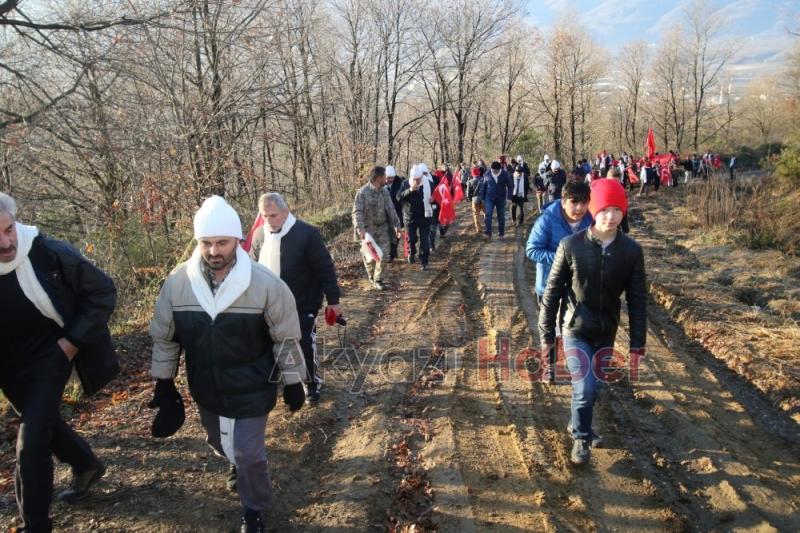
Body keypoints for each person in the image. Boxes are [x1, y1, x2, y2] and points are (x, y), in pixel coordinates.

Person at [150, 195, 308, 532]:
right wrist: (164, 383)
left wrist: (294, 380)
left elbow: (286, 336)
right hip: (206, 386)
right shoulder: (178, 284)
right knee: (220, 444)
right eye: (206, 243)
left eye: (222, 242)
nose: (214, 251)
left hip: (254, 383)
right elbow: (165, 337)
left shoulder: (265, 285)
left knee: (249, 454)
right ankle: (235, 463)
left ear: (238, 240)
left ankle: (254, 508)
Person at [0, 193, 118, 533]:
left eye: (9, 229)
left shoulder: (47, 252)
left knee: (32, 437)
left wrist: (72, 341)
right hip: (8, 364)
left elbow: (103, 292)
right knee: (44, 422)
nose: (7, 243)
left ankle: (35, 525)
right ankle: (87, 463)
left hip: (50, 355)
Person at [538, 179, 646, 466]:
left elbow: (637, 300)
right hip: (576, 330)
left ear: (624, 212)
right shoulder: (570, 246)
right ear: (593, 211)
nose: (610, 216)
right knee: (584, 388)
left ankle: (577, 425)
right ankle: (581, 440)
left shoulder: (631, 252)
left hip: (606, 331)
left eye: (616, 210)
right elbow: (551, 294)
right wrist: (547, 335)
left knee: (593, 389)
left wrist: (638, 343)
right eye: (604, 209)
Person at [249, 192, 342, 406]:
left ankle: (310, 384)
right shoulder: (259, 236)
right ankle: (281, 382)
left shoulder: (306, 233)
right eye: (264, 216)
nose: (269, 221)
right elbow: (251, 270)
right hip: (268, 304)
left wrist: (333, 300)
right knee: (270, 344)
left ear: (285, 211)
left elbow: (324, 268)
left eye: (273, 215)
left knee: (302, 344)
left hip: (302, 301)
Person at [352, 166, 402, 290]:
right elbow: (357, 212)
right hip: (368, 231)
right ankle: (371, 276)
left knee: (383, 255)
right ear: (378, 178)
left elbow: (391, 208)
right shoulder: (362, 193)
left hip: (383, 228)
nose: (387, 178)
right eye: (384, 176)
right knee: (369, 258)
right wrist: (361, 229)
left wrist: (397, 225)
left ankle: (378, 279)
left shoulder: (385, 191)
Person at [397, 164, 433, 270]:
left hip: (425, 216)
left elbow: (435, 194)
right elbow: (398, 197)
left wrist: (433, 199)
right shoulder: (405, 184)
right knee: (412, 239)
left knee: (425, 240)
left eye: (419, 179)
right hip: (409, 217)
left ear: (422, 176)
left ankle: (424, 261)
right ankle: (412, 251)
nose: (417, 181)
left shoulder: (428, 183)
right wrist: (409, 190)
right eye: (415, 179)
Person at [480, 161, 512, 240]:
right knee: (488, 214)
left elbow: (510, 186)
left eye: (496, 171)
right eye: (493, 170)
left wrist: (509, 198)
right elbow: (484, 186)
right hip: (489, 197)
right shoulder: (487, 174)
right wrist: (482, 198)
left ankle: (501, 234)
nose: (494, 172)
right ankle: (488, 233)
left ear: (499, 169)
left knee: (501, 216)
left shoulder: (505, 174)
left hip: (501, 198)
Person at [385, 165, 405, 261]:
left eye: (392, 178)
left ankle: (393, 252)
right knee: (388, 234)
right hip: (385, 213)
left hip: (397, 211)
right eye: (388, 178)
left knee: (396, 234)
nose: (390, 180)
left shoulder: (400, 183)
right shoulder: (382, 184)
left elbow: (402, 196)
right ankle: (391, 253)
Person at [466, 166, 485, 233]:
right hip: (484, 199)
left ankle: (478, 229)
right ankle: (487, 225)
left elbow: (468, 193)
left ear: (472, 173)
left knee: (476, 214)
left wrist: (470, 199)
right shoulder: (484, 180)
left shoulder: (470, 182)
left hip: (475, 199)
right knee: (486, 213)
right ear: (479, 173)